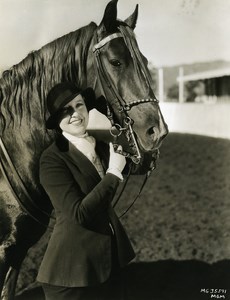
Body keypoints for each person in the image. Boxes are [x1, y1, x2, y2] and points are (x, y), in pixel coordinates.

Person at [37, 82, 135, 300]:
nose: (75, 114)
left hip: (110, 261)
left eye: (79, 105)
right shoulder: (52, 159)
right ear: (56, 120)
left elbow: (135, 162)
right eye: (66, 110)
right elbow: (78, 214)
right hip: (72, 274)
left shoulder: (99, 144)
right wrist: (114, 171)